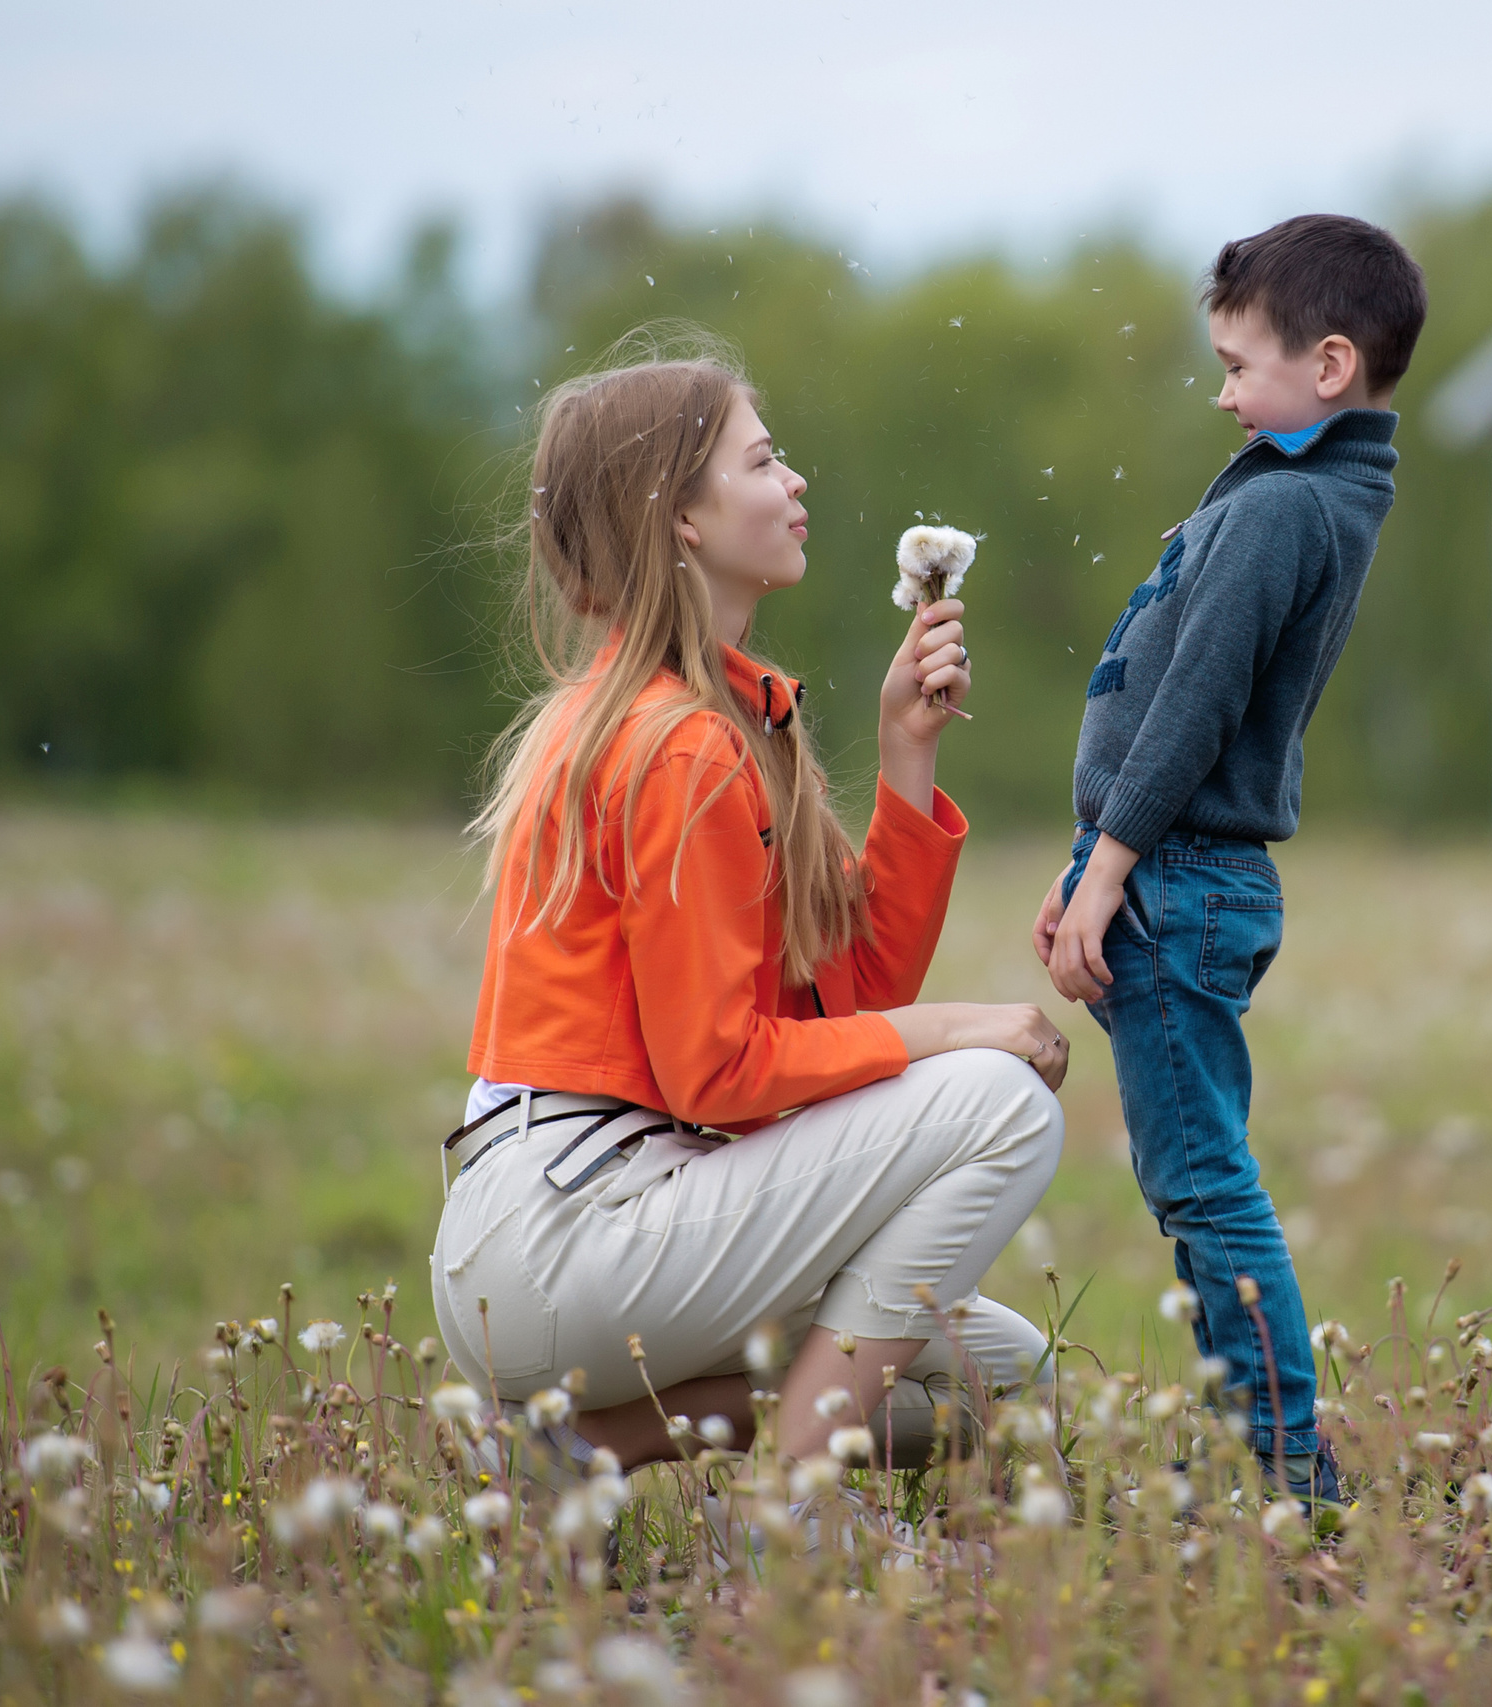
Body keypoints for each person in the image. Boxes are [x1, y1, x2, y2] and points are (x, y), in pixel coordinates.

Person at [432, 339, 1069, 1477]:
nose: (797, 484)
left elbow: (846, 1006)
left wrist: (903, 755)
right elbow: (715, 1076)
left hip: (582, 1225)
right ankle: (788, 1502)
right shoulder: (678, 745)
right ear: (680, 515)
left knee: (1001, 1381)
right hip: (567, 1228)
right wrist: (966, 1031)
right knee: (999, 1100)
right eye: (764, 461)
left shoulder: (711, 722)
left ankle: (579, 1441)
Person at [1033, 215, 1428, 1503]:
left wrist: (1110, 868)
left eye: (1237, 365)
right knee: (1190, 1180)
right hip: (1168, 871)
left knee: (1203, 1183)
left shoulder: (1286, 510)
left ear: (1326, 368)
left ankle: (1287, 1473)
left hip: (1180, 879)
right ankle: (1257, 1451)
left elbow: (1194, 708)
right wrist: (1094, 855)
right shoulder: (1310, 488)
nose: (1222, 392)